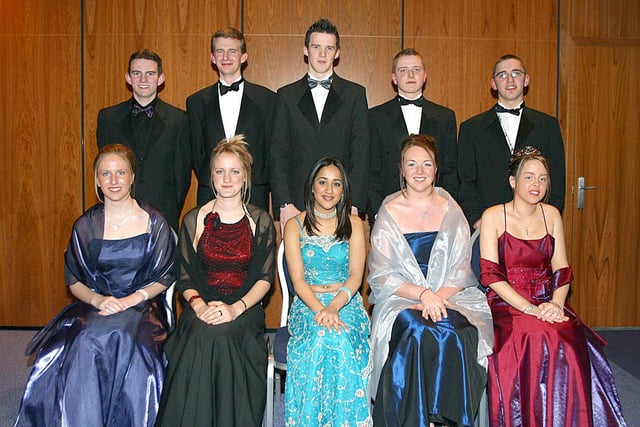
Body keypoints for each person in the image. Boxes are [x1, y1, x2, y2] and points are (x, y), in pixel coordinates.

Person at [14, 144, 176, 426]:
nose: (114, 181)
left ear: (132, 177)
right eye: (106, 174)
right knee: (85, 341)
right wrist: (99, 300)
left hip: (142, 307)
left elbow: (165, 276)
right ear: (97, 180)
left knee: (136, 347)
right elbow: (74, 281)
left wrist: (131, 299)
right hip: (97, 305)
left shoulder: (155, 223)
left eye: (120, 172)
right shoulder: (85, 226)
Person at [479, 146, 626, 426]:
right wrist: (530, 309)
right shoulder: (493, 216)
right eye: (530, 177)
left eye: (543, 179)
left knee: (566, 336)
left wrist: (556, 304)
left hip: (548, 298)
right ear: (513, 181)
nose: (537, 185)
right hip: (507, 303)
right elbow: (491, 275)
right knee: (533, 333)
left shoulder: (552, 215)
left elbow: (562, 269)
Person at [368, 135, 494, 427]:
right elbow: (383, 274)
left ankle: (447, 419)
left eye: (427, 163)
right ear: (401, 168)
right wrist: (424, 296)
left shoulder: (451, 208)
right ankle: (413, 419)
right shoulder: (388, 211)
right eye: (411, 164)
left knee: (455, 329)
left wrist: (438, 297)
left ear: (437, 168)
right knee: (416, 328)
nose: (419, 170)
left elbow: (462, 268)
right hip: (402, 297)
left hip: (450, 295)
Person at [155, 135, 276, 426]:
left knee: (221, 335)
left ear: (246, 176)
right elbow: (184, 277)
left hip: (245, 310)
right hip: (201, 307)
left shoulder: (260, 221)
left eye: (234, 171)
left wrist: (235, 309)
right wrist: (199, 307)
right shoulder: (194, 219)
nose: (227, 178)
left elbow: (264, 278)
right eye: (220, 171)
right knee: (203, 333)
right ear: (211, 176)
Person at [283, 157, 371, 426]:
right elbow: (297, 280)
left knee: (339, 338)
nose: (329, 190)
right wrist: (320, 309)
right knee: (321, 336)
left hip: (346, 303)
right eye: (322, 182)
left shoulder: (355, 224)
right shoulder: (293, 226)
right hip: (307, 304)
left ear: (344, 190)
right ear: (312, 186)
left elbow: (357, 275)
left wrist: (334, 306)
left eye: (336, 184)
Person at [270, 18, 369, 231]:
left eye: (329, 48)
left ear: (337, 53)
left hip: (342, 203)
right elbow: (278, 153)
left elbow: (361, 153)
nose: (322, 54)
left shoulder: (355, 95)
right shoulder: (286, 96)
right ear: (306, 50)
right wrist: (284, 203)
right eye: (316, 47)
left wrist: (355, 204)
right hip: (296, 204)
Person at [458, 54, 566, 230]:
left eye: (516, 73)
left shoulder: (548, 126)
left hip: (535, 224)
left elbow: (557, 178)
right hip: (488, 224)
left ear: (526, 80)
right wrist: (476, 219)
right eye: (502, 75)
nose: (509, 79)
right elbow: (465, 181)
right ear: (493, 84)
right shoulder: (471, 128)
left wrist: (546, 219)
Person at [97, 49, 191, 232]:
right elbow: (104, 171)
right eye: (136, 73)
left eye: (150, 74)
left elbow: (182, 175)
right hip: (118, 215)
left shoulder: (179, 120)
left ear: (160, 78)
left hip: (163, 215)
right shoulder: (108, 118)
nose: (143, 80)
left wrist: (169, 212)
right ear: (128, 78)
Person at [188, 27, 276, 209]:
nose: (226, 57)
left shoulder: (267, 100)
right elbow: (198, 154)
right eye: (220, 51)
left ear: (243, 57)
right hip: (210, 194)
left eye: (232, 51)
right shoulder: (196, 102)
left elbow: (271, 151)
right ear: (213, 58)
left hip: (254, 194)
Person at [368, 48, 458, 223]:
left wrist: (445, 211)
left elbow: (450, 171)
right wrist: (379, 214)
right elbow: (371, 173)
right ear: (394, 77)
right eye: (403, 70)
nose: (410, 74)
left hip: (435, 215)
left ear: (425, 76)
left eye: (416, 70)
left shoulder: (445, 117)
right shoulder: (375, 117)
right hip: (390, 214)